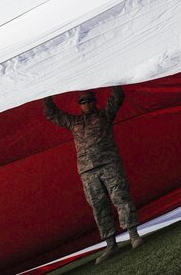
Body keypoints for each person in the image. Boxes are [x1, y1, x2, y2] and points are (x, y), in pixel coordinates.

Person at [43, 86, 143, 264]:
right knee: (99, 208)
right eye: (82, 101)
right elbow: (52, 114)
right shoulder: (73, 122)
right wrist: (46, 95)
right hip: (87, 172)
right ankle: (111, 244)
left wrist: (112, 78)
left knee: (120, 198)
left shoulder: (105, 115)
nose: (86, 103)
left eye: (89, 100)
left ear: (95, 102)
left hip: (109, 164)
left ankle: (133, 235)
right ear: (79, 105)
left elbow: (118, 95)